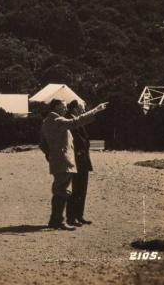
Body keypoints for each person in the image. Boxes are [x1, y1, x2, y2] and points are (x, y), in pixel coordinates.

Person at [39, 98, 108, 231]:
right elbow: (75, 122)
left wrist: (51, 155)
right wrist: (96, 110)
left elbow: (42, 144)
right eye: (63, 106)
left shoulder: (47, 121)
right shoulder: (57, 120)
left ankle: (56, 220)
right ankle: (58, 221)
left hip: (58, 159)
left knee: (60, 189)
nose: (66, 109)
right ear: (56, 107)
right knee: (62, 190)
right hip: (63, 160)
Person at [66, 100, 93, 226]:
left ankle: (79, 215)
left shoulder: (78, 122)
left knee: (82, 189)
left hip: (83, 159)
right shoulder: (70, 122)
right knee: (76, 189)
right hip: (76, 159)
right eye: (81, 108)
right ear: (74, 109)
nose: (83, 110)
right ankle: (72, 217)